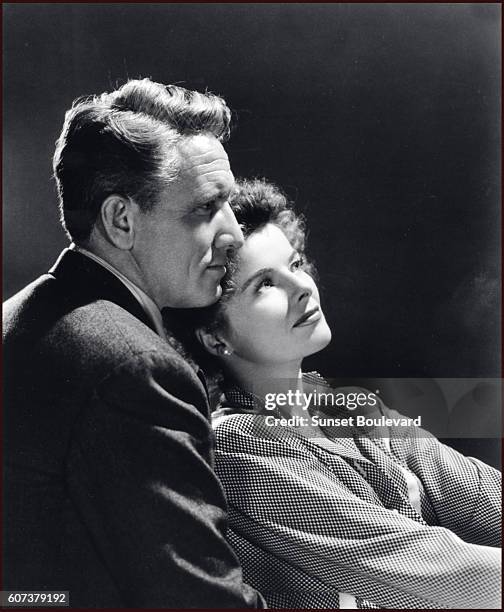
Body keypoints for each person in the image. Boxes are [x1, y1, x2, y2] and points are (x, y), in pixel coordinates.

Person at [179, 178, 501, 609]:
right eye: (266, 285)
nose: (302, 288)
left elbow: (481, 495)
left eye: (295, 265)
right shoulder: (235, 443)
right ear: (216, 339)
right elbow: (426, 566)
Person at [2, 79, 265, 608]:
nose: (234, 234)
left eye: (229, 206)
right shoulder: (135, 368)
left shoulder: (24, 318)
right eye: (205, 209)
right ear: (121, 220)